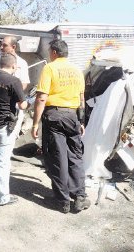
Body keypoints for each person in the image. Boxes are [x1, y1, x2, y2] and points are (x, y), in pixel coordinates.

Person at [31, 39, 90, 214]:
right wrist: (81, 121)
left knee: (57, 157)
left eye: (50, 52)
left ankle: (62, 201)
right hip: (72, 116)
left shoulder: (50, 68)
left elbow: (41, 98)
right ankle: (80, 196)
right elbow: (81, 99)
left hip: (54, 116)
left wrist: (35, 123)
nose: (50, 54)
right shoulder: (77, 70)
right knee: (75, 156)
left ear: (54, 52)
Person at [0, 53, 27, 206]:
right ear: (13, 66)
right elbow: (22, 105)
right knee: (3, 161)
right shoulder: (14, 80)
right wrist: (28, 103)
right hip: (4, 126)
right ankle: (0, 197)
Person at [0, 36, 30, 171]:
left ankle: (2, 161)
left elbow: (24, 82)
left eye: (4, 45)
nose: (1, 48)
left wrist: (14, 91)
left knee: (6, 133)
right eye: (1, 45)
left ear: (13, 47)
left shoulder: (22, 63)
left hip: (10, 102)